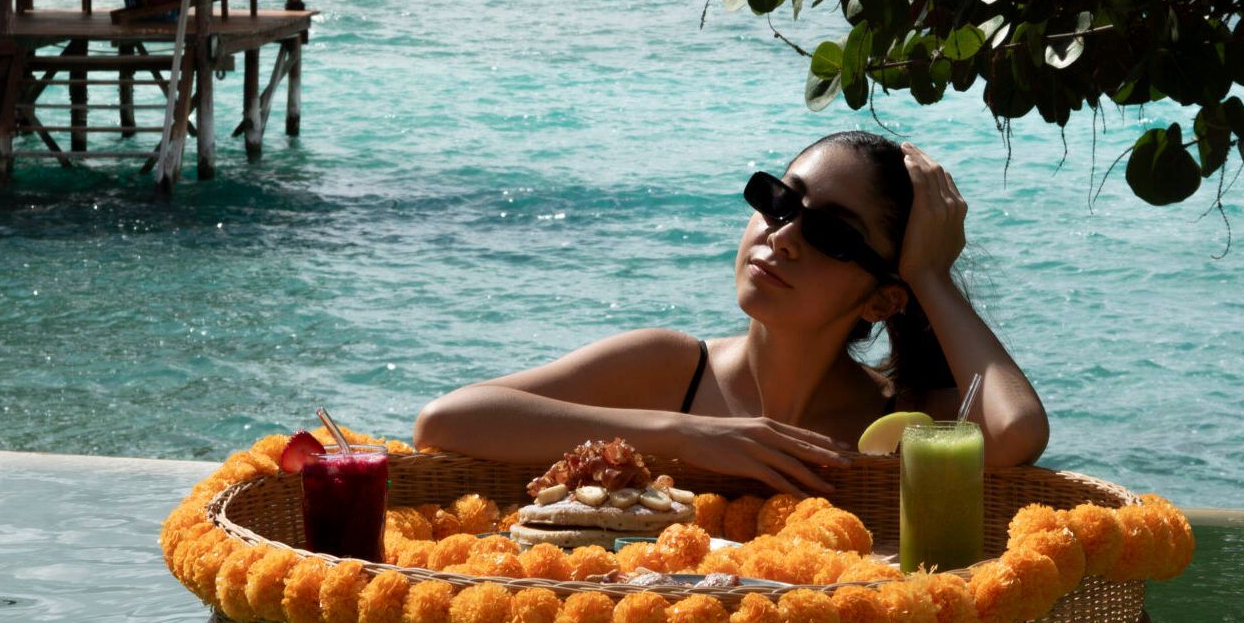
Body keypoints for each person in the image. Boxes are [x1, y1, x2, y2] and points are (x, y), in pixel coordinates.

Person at [411, 132, 1049, 494]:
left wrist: (931, 276)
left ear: (885, 297)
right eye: (779, 201)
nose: (784, 236)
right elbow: (446, 420)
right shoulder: (673, 373)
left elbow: (1017, 434)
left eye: (832, 236)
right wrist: (682, 436)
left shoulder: (889, 427)